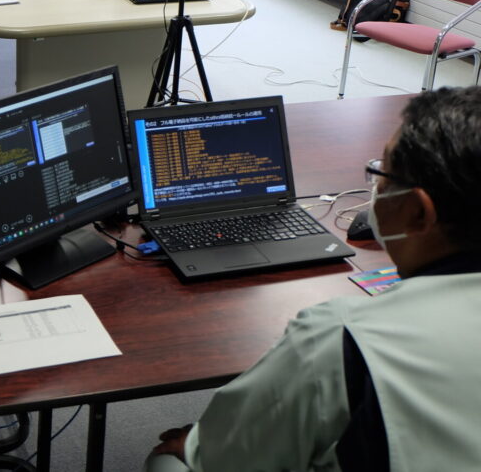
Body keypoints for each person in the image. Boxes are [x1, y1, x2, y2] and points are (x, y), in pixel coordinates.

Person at [145, 86, 481, 472]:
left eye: (380, 174)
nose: (375, 188)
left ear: (419, 213)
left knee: (169, 463)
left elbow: (225, 457)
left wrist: (192, 444)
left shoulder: (341, 337)